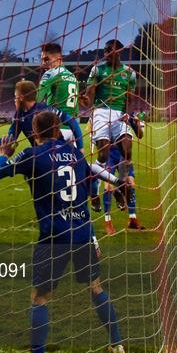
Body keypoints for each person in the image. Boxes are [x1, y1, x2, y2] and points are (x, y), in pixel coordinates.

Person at [0, 111, 126, 353]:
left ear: (36, 132)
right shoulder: (75, 153)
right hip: (84, 232)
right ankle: (117, 345)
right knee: (96, 288)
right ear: (58, 129)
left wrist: (5, 153)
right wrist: (117, 183)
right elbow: (90, 178)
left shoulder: (32, 155)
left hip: (55, 236)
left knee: (40, 298)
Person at [81, 39, 144, 200]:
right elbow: (90, 94)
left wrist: (127, 114)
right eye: (105, 51)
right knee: (103, 154)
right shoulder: (97, 70)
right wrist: (86, 100)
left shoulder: (129, 73)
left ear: (119, 52)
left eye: (110, 50)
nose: (107, 53)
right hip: (101, 112)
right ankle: (112, 185)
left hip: (119, 114)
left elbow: (130, 99)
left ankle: (122, 183)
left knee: (127, 149)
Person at [0, 80, 84, 152]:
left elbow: (72, 122)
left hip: (57, 152)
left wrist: (80, 148)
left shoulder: (45, 110)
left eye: (15, 97)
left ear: (22, 98)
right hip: (40, 154)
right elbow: (12, 138)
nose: (14, 100)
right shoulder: (19, 115)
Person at [90, 144, 144, 235]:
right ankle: (108, 221)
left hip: (123, 153)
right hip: (109, 154)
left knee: (130, 183)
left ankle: (132, 218)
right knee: (108, 187)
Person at [37, 42, 79, 143]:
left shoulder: (51, 73)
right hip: (72, 129)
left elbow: (36, 99)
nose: (43, 63)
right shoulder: (72, 76)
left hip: (56, 130)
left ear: (59, 58)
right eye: (42, 59)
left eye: (46, 59)